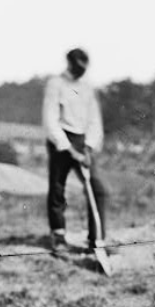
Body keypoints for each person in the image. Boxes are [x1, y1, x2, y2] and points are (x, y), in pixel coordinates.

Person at [43, 48, 107, 252]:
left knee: (98, 190)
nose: (82, 72)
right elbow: (50, 120)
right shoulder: (56, 84)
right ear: (70, 64)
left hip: (83, 140)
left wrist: (88, 148)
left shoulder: (87, 88)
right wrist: (69, 149)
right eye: (78, 68)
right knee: (57, 189)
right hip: (61, 140)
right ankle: (58, 236)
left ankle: (96, 240)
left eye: (84, 68)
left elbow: (94, 120)